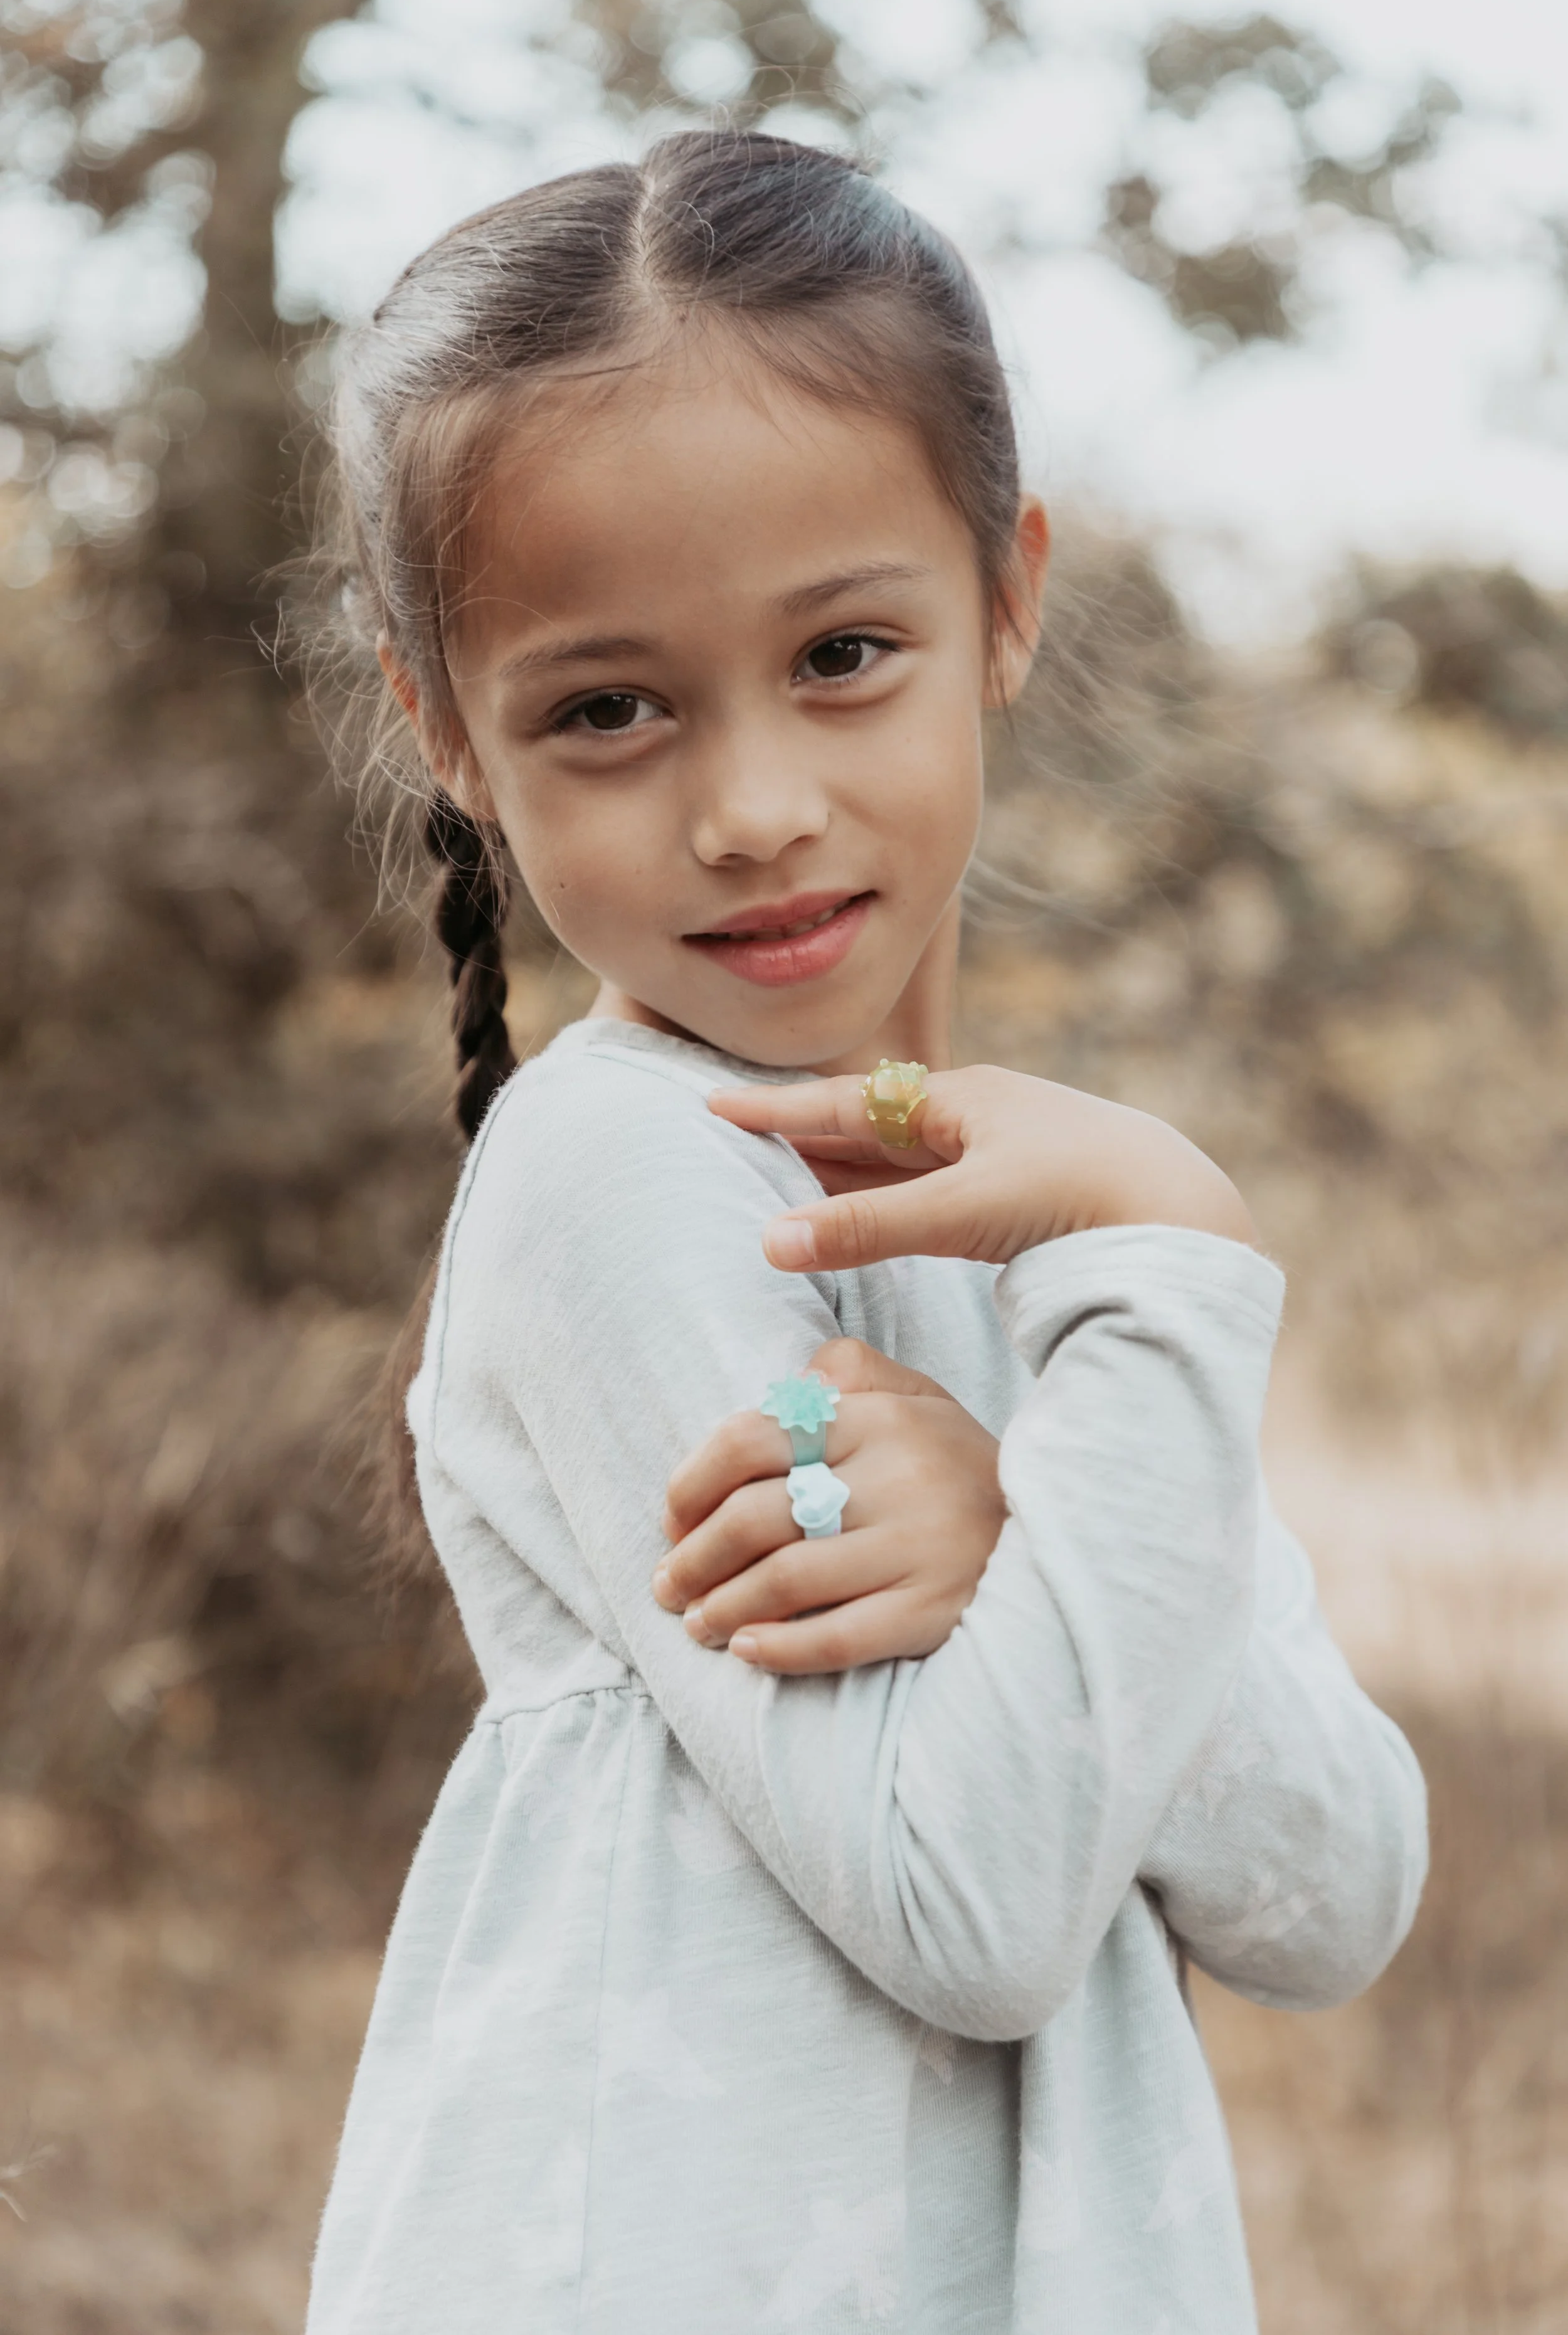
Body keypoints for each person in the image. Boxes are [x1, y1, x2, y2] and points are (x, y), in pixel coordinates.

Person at [303, 129, 1426, 2334]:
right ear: (444, 723)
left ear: (1003, 598)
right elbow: (976, 1898)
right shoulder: (613, 1168)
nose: (750, 807)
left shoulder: (1041, 1237)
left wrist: (1021, 1515)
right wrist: (1178, 1260)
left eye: (840, 652)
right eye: (605, 708)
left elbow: (1337, 1891)